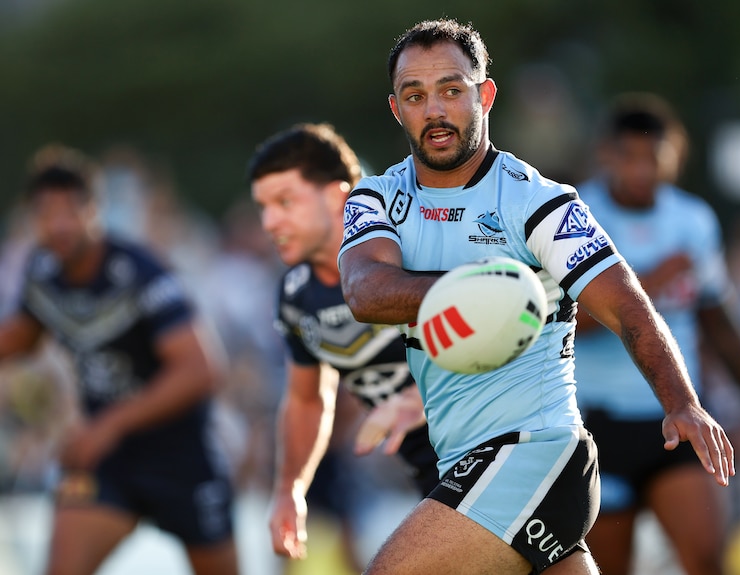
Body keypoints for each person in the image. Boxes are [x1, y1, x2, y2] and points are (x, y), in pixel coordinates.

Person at [337, 19, 735, 575]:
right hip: (464, 461)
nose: (434, 111)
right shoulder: (375, 198)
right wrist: (475, 295)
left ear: (485, 94)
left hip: (534, 454)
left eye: (451, 90)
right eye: (415, 95)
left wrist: (681, 402)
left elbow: (627, 307)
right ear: (396, 108)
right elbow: (364, 291)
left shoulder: (540, 203)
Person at [572, 93, 740, 575]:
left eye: (652, 158)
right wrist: (649, 281)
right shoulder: (576, 215)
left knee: (708, 557)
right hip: (597, 426)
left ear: (674, 157)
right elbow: (568, 324)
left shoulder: (692, 221)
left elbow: (720, 322)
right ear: (607, 154)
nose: (640, 170)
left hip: (676, 417)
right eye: (628, 157)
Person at [0, 145, 238, 575]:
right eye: (45, 213)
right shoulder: (43, 272)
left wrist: (108, 425)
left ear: (96, 210)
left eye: (70, 211)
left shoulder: (139, 271)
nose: (58, 225)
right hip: (107, 462)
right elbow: (22, 335)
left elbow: (201, 369)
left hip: (180, 458)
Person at [247, 122, 439, 561]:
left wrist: (425, 397)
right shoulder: (296, 294)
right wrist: (289, 489)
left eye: (285, 202)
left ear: (337, 196)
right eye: (263, 207)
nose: (269, 221)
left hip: (498, 453)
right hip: (433, 472)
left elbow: (510, 323)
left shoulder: (415, 243)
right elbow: (307, 400)